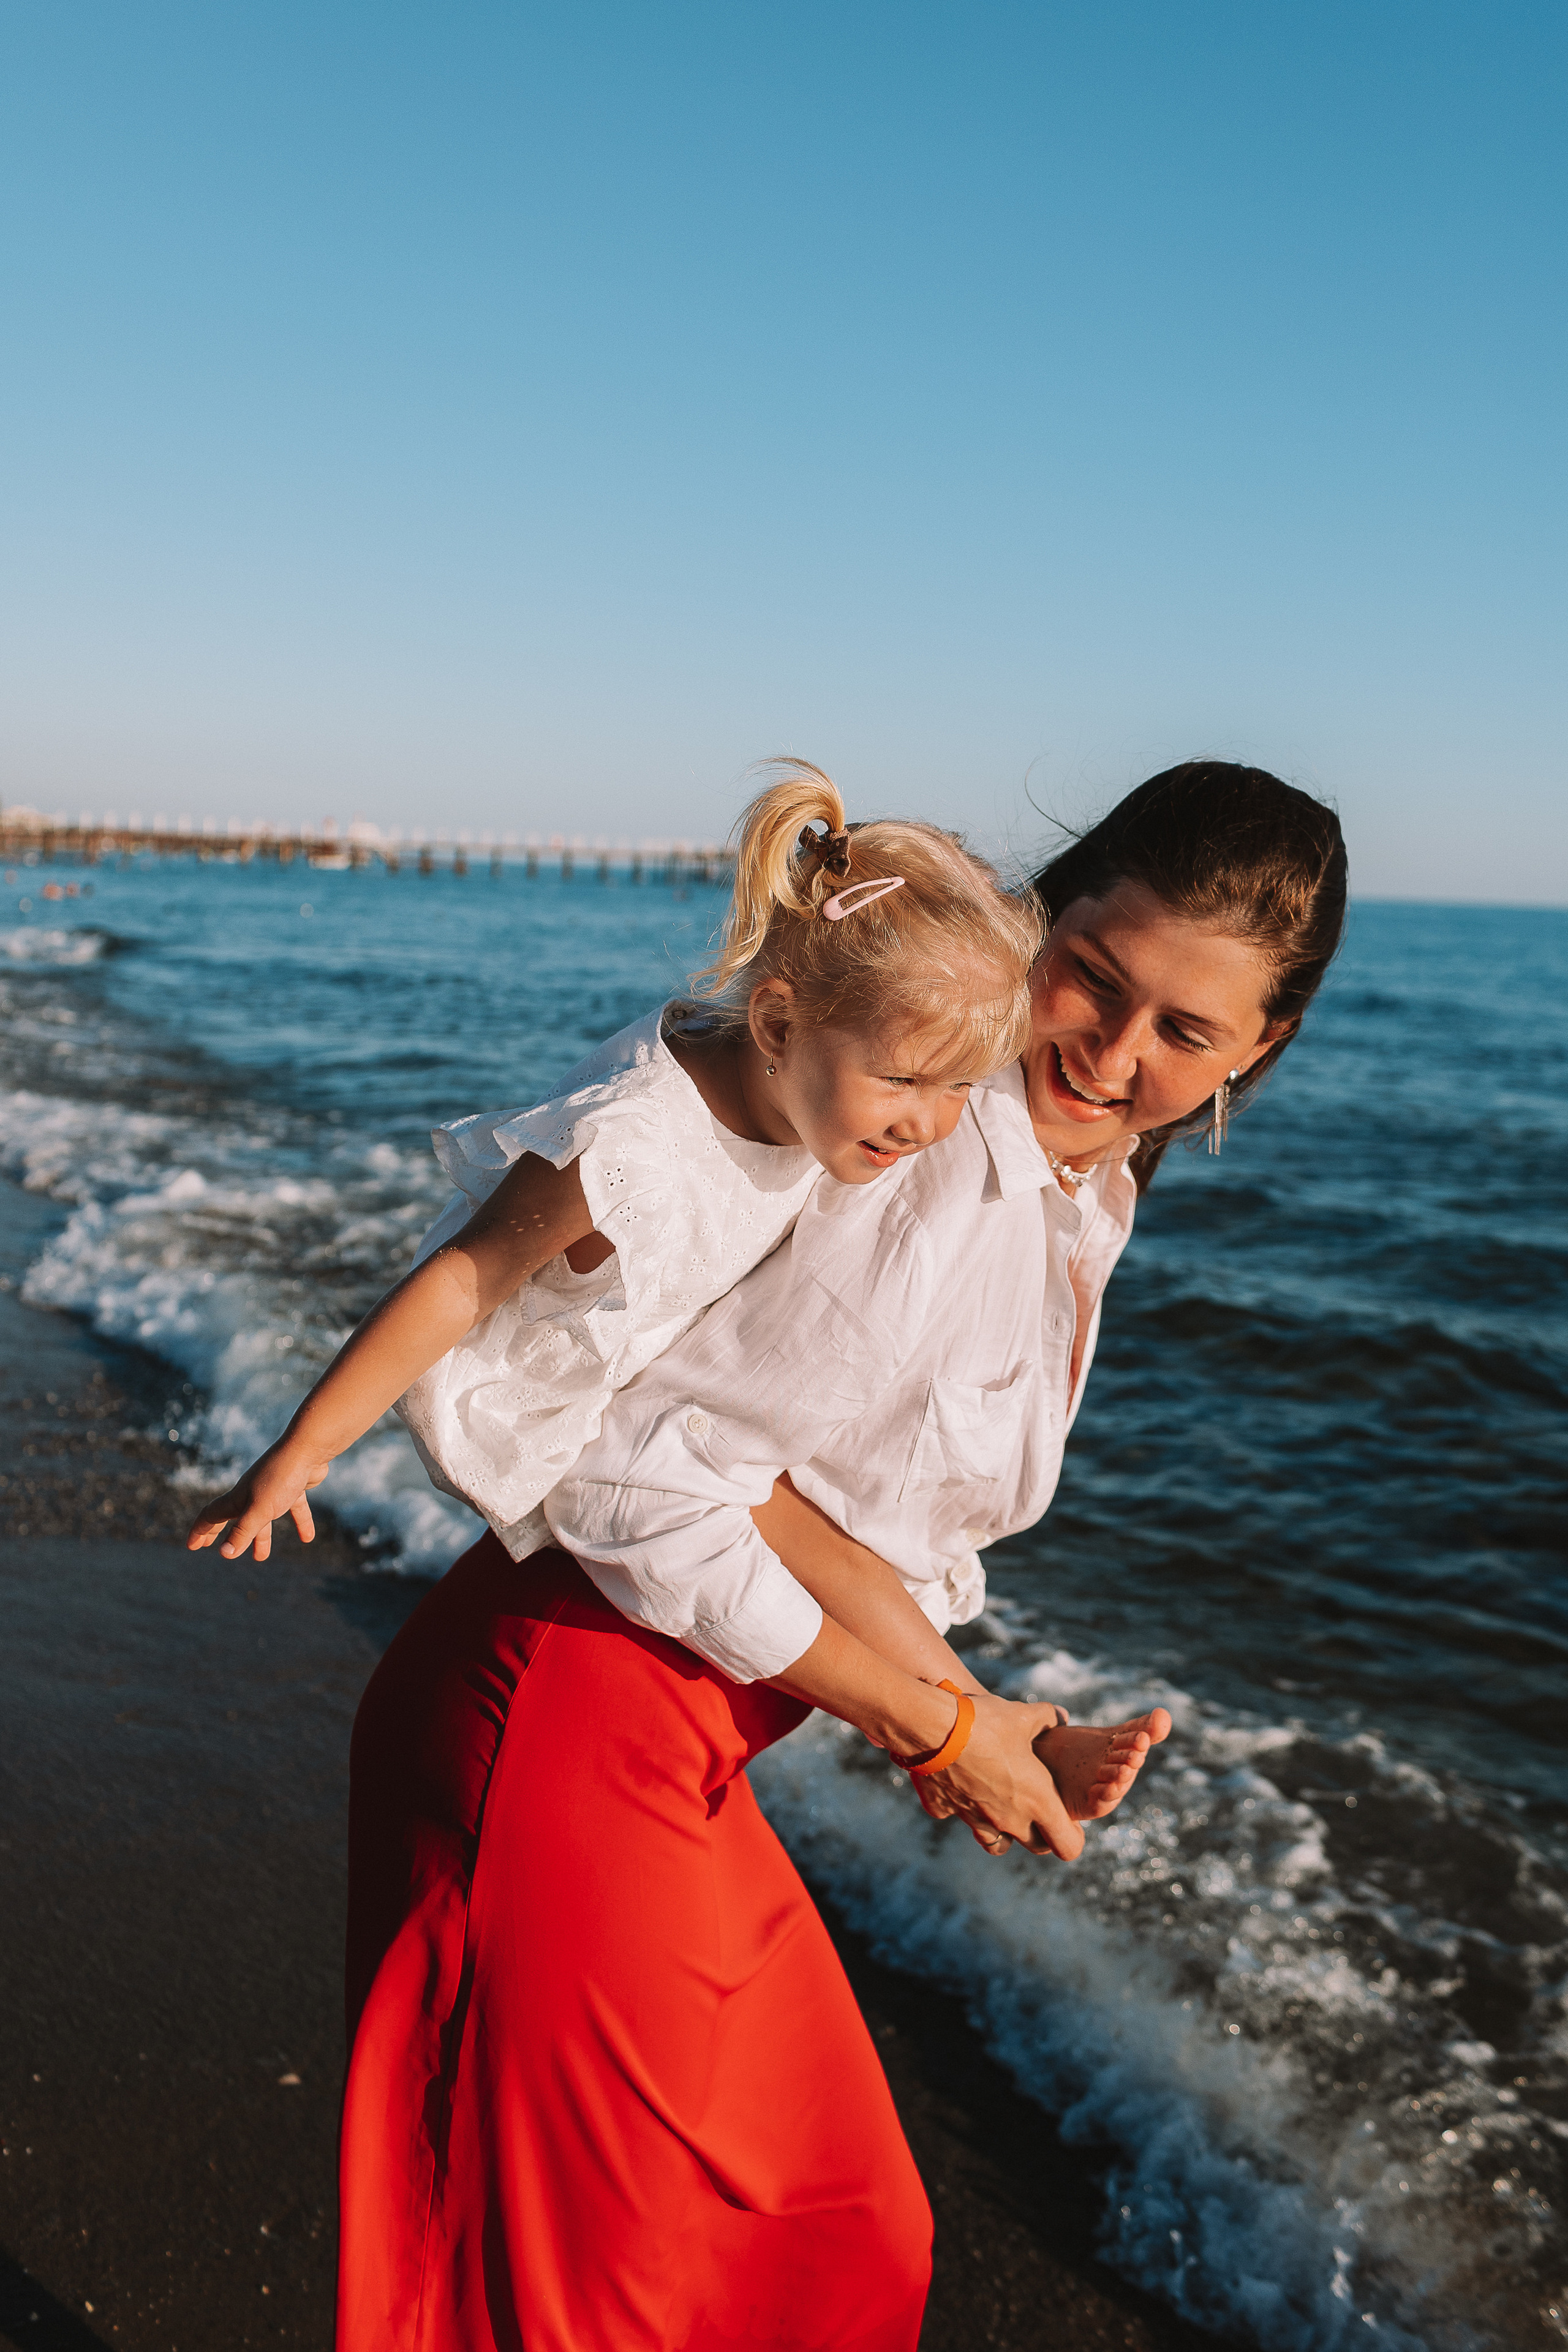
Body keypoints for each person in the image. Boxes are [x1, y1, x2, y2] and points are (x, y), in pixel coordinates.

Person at [334, 760, 1348, 2351]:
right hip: (571, 1714)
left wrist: (978, 1715)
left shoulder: (1072, 1192)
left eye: (1186, 1034)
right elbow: (640, 1451)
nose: (1114, 1047)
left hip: (687, 1736)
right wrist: (937, 1726)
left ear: (1258, 1050)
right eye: (1096, 977)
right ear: (1047, 916)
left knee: (843, 2239)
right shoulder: (920, 1153)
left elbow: (809, 1505)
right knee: (604, 2306)